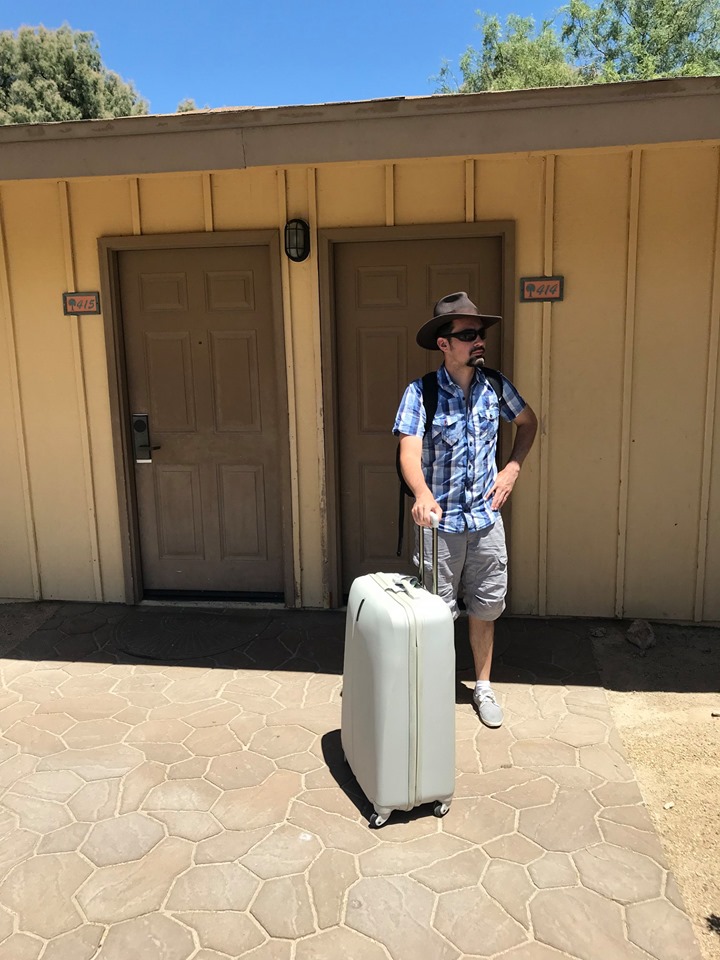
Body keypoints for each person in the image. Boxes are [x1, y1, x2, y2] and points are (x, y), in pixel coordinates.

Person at [393, 291, 537, 728]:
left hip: (486, 522)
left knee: (485, 607)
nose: (480, 341)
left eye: (481, 333)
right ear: (444, 343)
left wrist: (511, 468)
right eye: (469, 334)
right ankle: (434, 690)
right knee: (435, 615)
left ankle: (483, 686)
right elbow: (408, 451)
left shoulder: (496, 385)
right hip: (440, 527)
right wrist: (421, 493)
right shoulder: (420, 393)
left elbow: (528, 422)